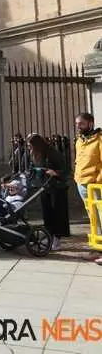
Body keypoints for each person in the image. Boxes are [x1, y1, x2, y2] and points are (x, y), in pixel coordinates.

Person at [26, 133, 71, 251]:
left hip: (57, 187)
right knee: (47, 213)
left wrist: (55, 172)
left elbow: (65, 170)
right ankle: (49, 235)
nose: (29, 148)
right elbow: (33, 167)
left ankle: (57, 238)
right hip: (44, 187)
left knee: (58, 213)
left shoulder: (53, 153)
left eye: (30, 146)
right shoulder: (35, 154)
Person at [74, 112, 102, 263]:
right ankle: (96, 249)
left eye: (81, 124)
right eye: (77, 124)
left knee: (101, 217)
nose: (78, 127)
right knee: (93, 218)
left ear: (90, 123)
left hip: (95, 184)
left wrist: (97, 181)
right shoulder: (79, 140)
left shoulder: (99, 139)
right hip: (81, 183)